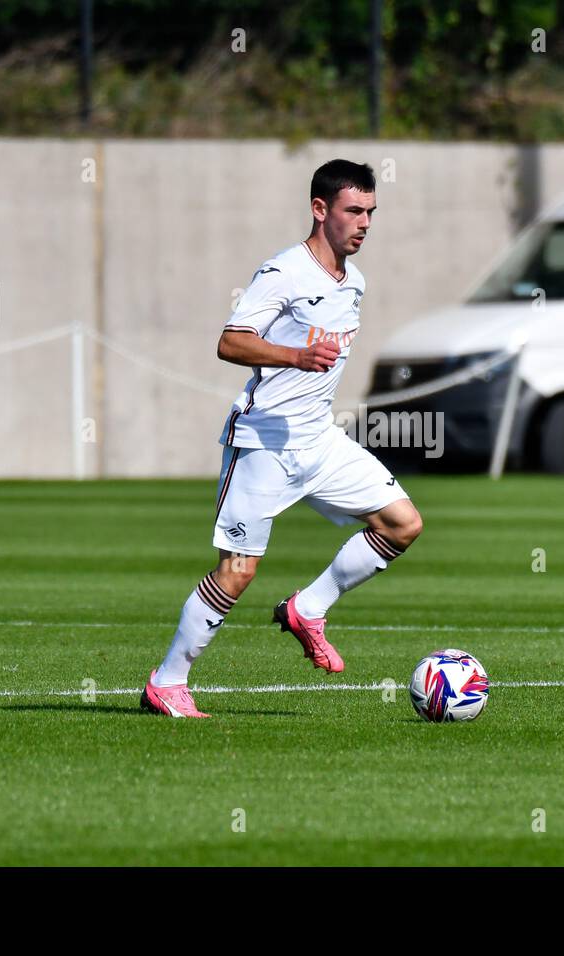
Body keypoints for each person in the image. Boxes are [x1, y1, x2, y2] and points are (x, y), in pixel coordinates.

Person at [141, 159, 424, 718]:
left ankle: (308, 609)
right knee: (238, 571)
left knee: (402, 523)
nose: (364, 223)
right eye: (353, 211)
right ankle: (167, 682)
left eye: (370, 212)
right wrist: (294, 355)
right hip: (263, 443)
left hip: (318, 441)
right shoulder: (283, 273)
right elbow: (230, 341)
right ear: (320, 210)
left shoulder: (355, 283)